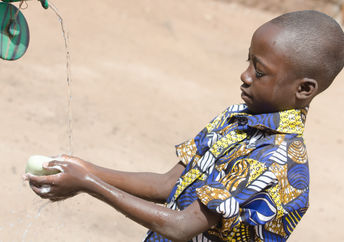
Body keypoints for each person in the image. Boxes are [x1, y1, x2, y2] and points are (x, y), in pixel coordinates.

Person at [24, 10, 344, 241]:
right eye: (248, 61)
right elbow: (168, 185)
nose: (245, 75)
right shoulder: (236, 118)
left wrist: (88, 185)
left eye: (259, 71)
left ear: (304, 89)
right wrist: (87, 169)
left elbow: (182, 226)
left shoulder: (275, 162)